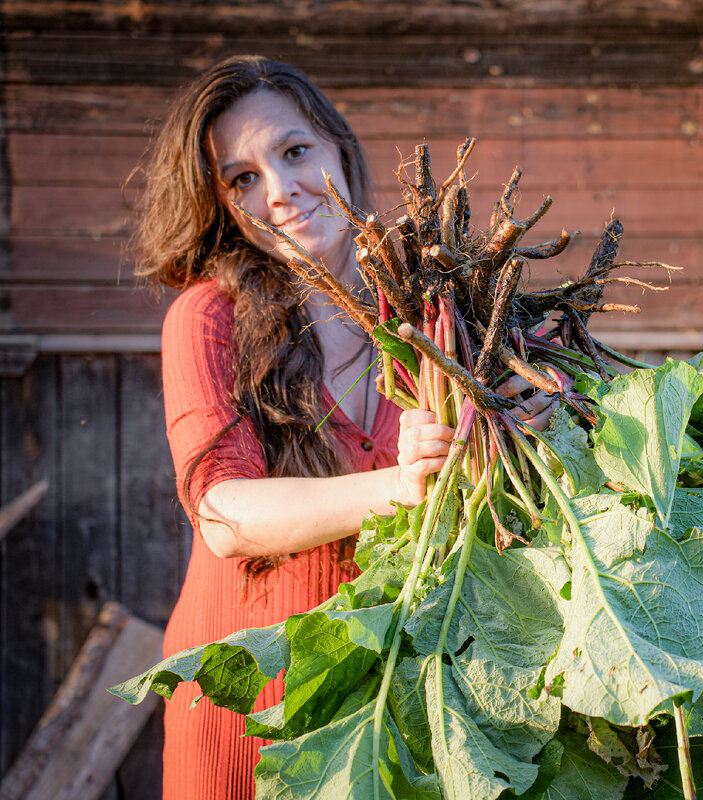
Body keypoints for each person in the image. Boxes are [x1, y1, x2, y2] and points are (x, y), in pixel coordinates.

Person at [132, 55, 553, 800]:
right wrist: (403, 483)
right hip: (249, 698)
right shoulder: (210, 317)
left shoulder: (433, 313)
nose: (281, 191)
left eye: (295, 152)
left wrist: (520, 429)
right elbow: (225, 513)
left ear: (339, 152)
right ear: (221, 203)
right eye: (243, 178)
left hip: (393, 690)